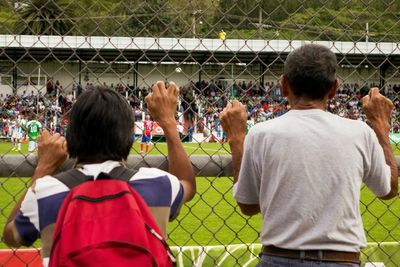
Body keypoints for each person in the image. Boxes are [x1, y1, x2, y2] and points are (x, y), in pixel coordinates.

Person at [220, 44, 398, 267]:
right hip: (341, 258)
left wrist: (237, 139)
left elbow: (248, 206)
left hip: (280, 257)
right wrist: (381, 124)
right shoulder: (359, 132)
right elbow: (389, 189)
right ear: (333, 89)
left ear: (284, 85)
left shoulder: (262, 133)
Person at [2, 82, 196, 266]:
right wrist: (168, 122)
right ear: (128, 135)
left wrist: (43, 168)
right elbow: (187, 182)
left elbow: (11, 236)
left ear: (72, 135)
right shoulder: (155, 184)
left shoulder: (47, 191)